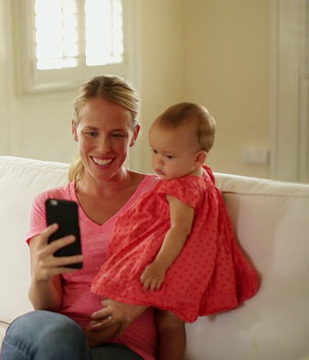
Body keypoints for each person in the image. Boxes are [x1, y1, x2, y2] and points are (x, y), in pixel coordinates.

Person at [0, 74, 158, 360]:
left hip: (122, 347)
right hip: (50, 334)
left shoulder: (159, 196)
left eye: (117, 135)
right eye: (91, 133)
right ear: (75, 130)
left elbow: (187, 272)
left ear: (134, 135)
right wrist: (40, 277)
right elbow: (46, 306)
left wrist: (137, 303)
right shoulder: (49, 203)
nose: (103, 148)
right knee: (61, 337)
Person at [90, 102, 261, 360]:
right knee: (170, 324)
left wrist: (158, 266)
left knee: (124, 303)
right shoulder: (202, 178)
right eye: (155, 151)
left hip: (171, 265)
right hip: (192, 266)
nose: (157, 162)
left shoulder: (180, 188)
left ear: (199, 158)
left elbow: (179, 229)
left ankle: (82, 343)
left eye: (168, 156)